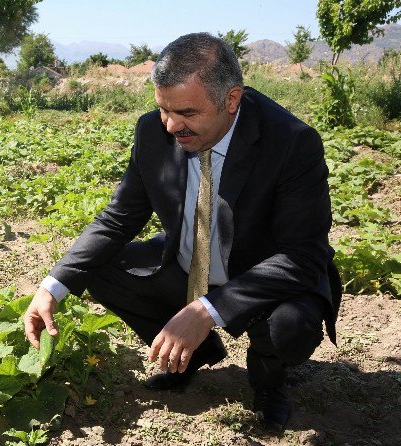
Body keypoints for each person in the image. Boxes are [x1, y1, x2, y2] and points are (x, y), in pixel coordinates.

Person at [23, 32, 341, 434]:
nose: (172, 126)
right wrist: (53, 286)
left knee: (290, 328)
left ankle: (267, 381)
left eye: (187, 112)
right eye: (163, 110)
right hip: (190, 265)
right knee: (95, 270)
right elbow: (119, 217)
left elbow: (302, 256)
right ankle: (189, 357)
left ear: (231, 100)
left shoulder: (291, 143)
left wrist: (205, 311)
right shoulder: (152, 133)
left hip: (263, 277)